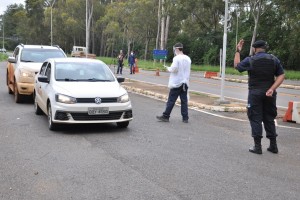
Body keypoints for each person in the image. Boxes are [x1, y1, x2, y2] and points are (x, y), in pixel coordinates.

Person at [234, 39, 285, 154]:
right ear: (264, 48)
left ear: (254, 49)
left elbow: (237, 66)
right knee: (269, 118)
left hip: (255, 93)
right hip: (270, 94)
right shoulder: (273, 59)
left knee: (255, 118)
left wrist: (238, 51)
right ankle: (273, 146)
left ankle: (257, 146)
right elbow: (281, 75)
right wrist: (272, 88)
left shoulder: (250, 60)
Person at [156, 42, 191, 123]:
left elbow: (174, 69)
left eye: (175, 49)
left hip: (177, 83)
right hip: (185, 83)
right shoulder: (188, 58)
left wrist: (168, 68)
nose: (174, 51)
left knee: (171, 100)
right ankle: (185, 118)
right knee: (184, 101)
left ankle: (166, 116)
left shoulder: (176, 58)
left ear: (177, 49)